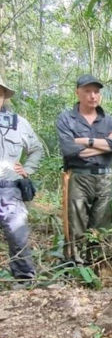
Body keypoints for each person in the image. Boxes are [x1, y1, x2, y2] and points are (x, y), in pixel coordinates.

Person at [56, 75, 112, 265]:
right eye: (87, 91)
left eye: (96, 92)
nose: (93, 96)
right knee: (76, 224)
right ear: (77, 92)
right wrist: (105, 145)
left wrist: (86, 142)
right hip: (79, 177)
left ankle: (95, 264)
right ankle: (76, 266)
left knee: (100, 225)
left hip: (104, 178)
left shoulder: (109, 121)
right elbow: (69, 150)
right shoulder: (67, 119)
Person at [0, 77, 43, 287]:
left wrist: (26, 169)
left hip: (9, 189)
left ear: (4, 97)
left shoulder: (17, 123)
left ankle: (24, 284)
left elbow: (36, 149)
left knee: (18, 236)